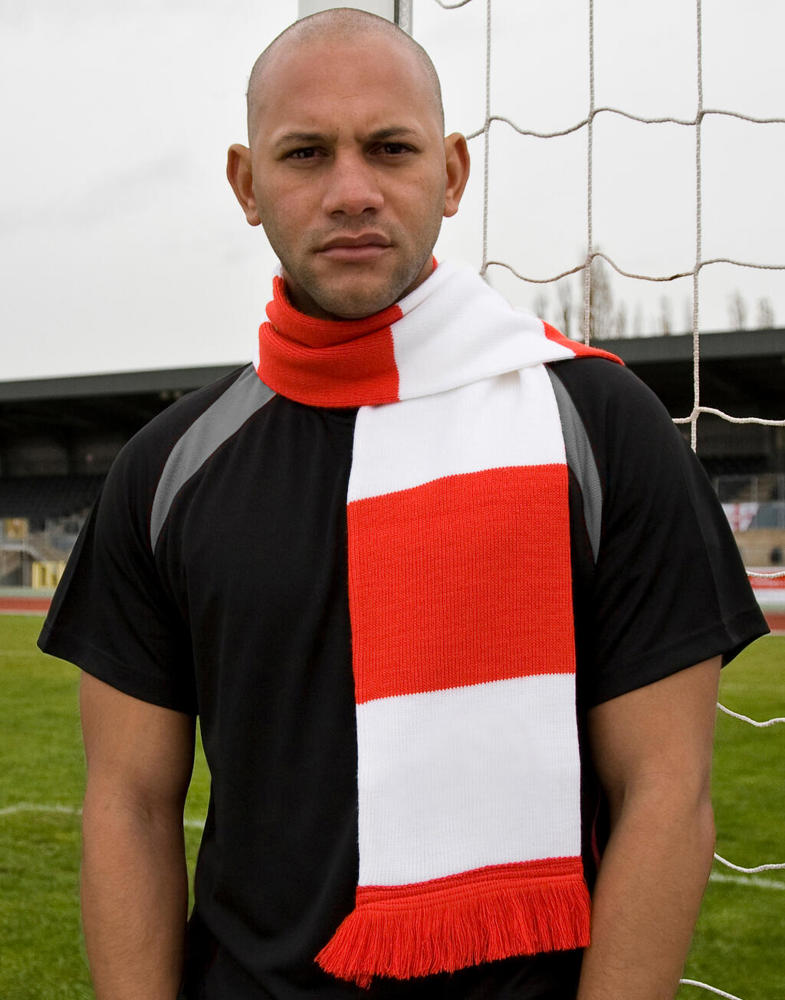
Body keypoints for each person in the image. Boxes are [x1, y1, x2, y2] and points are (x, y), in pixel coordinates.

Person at [39, 9, 769, 1000]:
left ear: (452, 172)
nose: (351, 191)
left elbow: (666, 793)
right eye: (305, 153)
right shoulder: (167, 468)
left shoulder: (599, 428)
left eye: (389, 148)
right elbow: (126, 803)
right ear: (247, 185)